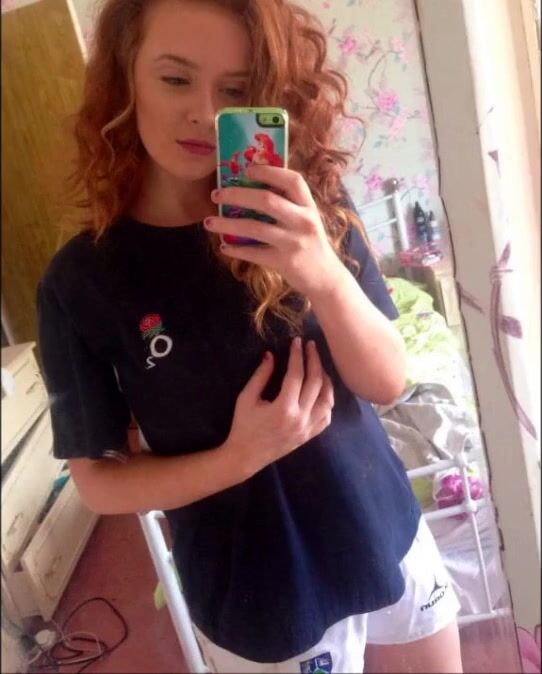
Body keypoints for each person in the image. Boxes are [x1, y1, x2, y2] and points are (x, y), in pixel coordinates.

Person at [37, 0, 463, 672]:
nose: (205, 113)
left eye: (235, 90)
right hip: (259, 593)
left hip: (384, 532)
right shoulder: (81, 280)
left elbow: (386, 382)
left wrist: (321, 272)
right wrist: (241, 456)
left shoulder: (308, 206)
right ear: (126, 76)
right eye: (175, 79)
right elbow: (98, 481)